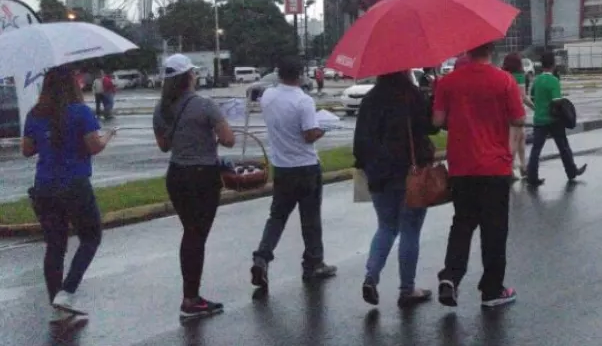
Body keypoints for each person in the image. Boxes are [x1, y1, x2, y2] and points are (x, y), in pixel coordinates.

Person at [433, 41, 527, 309]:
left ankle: (450, 276)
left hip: (461, 165)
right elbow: (519, 119)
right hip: (495, 166)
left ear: (467, 51)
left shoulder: (448, 82)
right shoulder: (504, 80)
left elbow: (437, 121)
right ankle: (492, 290)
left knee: (462, 223)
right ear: (491, 50)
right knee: (494, 229)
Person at [22, 65, 116, 322]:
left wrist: (45, 140)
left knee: (55, 245)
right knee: (91, 236)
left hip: (44, 186)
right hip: (74, 184)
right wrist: (108, 136)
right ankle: (67, 290)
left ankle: (56, 302)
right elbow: (93, 146)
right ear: (71, 85)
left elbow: (27, 150)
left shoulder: (35, 114)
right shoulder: (80, 112)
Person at [152, 54, 236, 321]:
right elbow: (229, 139)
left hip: (176, 175)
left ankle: (191, 296)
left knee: (190, 233)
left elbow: (164, 146)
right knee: (196, 237)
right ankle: (191, 299)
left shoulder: (161, 109)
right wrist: (209, 137)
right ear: (188, 77)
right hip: (202, 176)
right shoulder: (205, 105)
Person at [354, 70, 437, 307]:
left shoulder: (370, 99)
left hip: (378, 175)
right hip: (410, 172)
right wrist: (432, 96)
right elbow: (431, 127)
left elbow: (360, 144)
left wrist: (369, 166)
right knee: (410, 230)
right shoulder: (412, 96)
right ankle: (407, 289)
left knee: (386, 227)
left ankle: (371, 276)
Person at [251, 57, 335, 290]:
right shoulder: (303, 100)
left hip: (282, 167)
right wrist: (324, 127)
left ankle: (262, 257)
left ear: (279, 74)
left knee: (277, 216)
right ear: (300, 74)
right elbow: (309, 135)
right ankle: (313, 263)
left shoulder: (269, 96)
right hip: (306, 166)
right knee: (310, 219)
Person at [524, 52, 586, 186]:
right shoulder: (554, 81)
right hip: (553, 120)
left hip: (539, 119)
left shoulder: (537, 80)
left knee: (536, 149)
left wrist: (540, 106)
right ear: (553, 64)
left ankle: (532, 176)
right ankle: (571, 171)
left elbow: (532, 97)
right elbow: (557, 101)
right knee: (563, 147)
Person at [501, 54, 531, 177]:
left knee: (520, 138)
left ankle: (523, 167)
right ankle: (511, 170)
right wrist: (534, 107)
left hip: (505, 112)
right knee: (516, 141)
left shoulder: (503, 75)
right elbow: (523, 97)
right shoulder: (519, 76)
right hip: (517, 112)